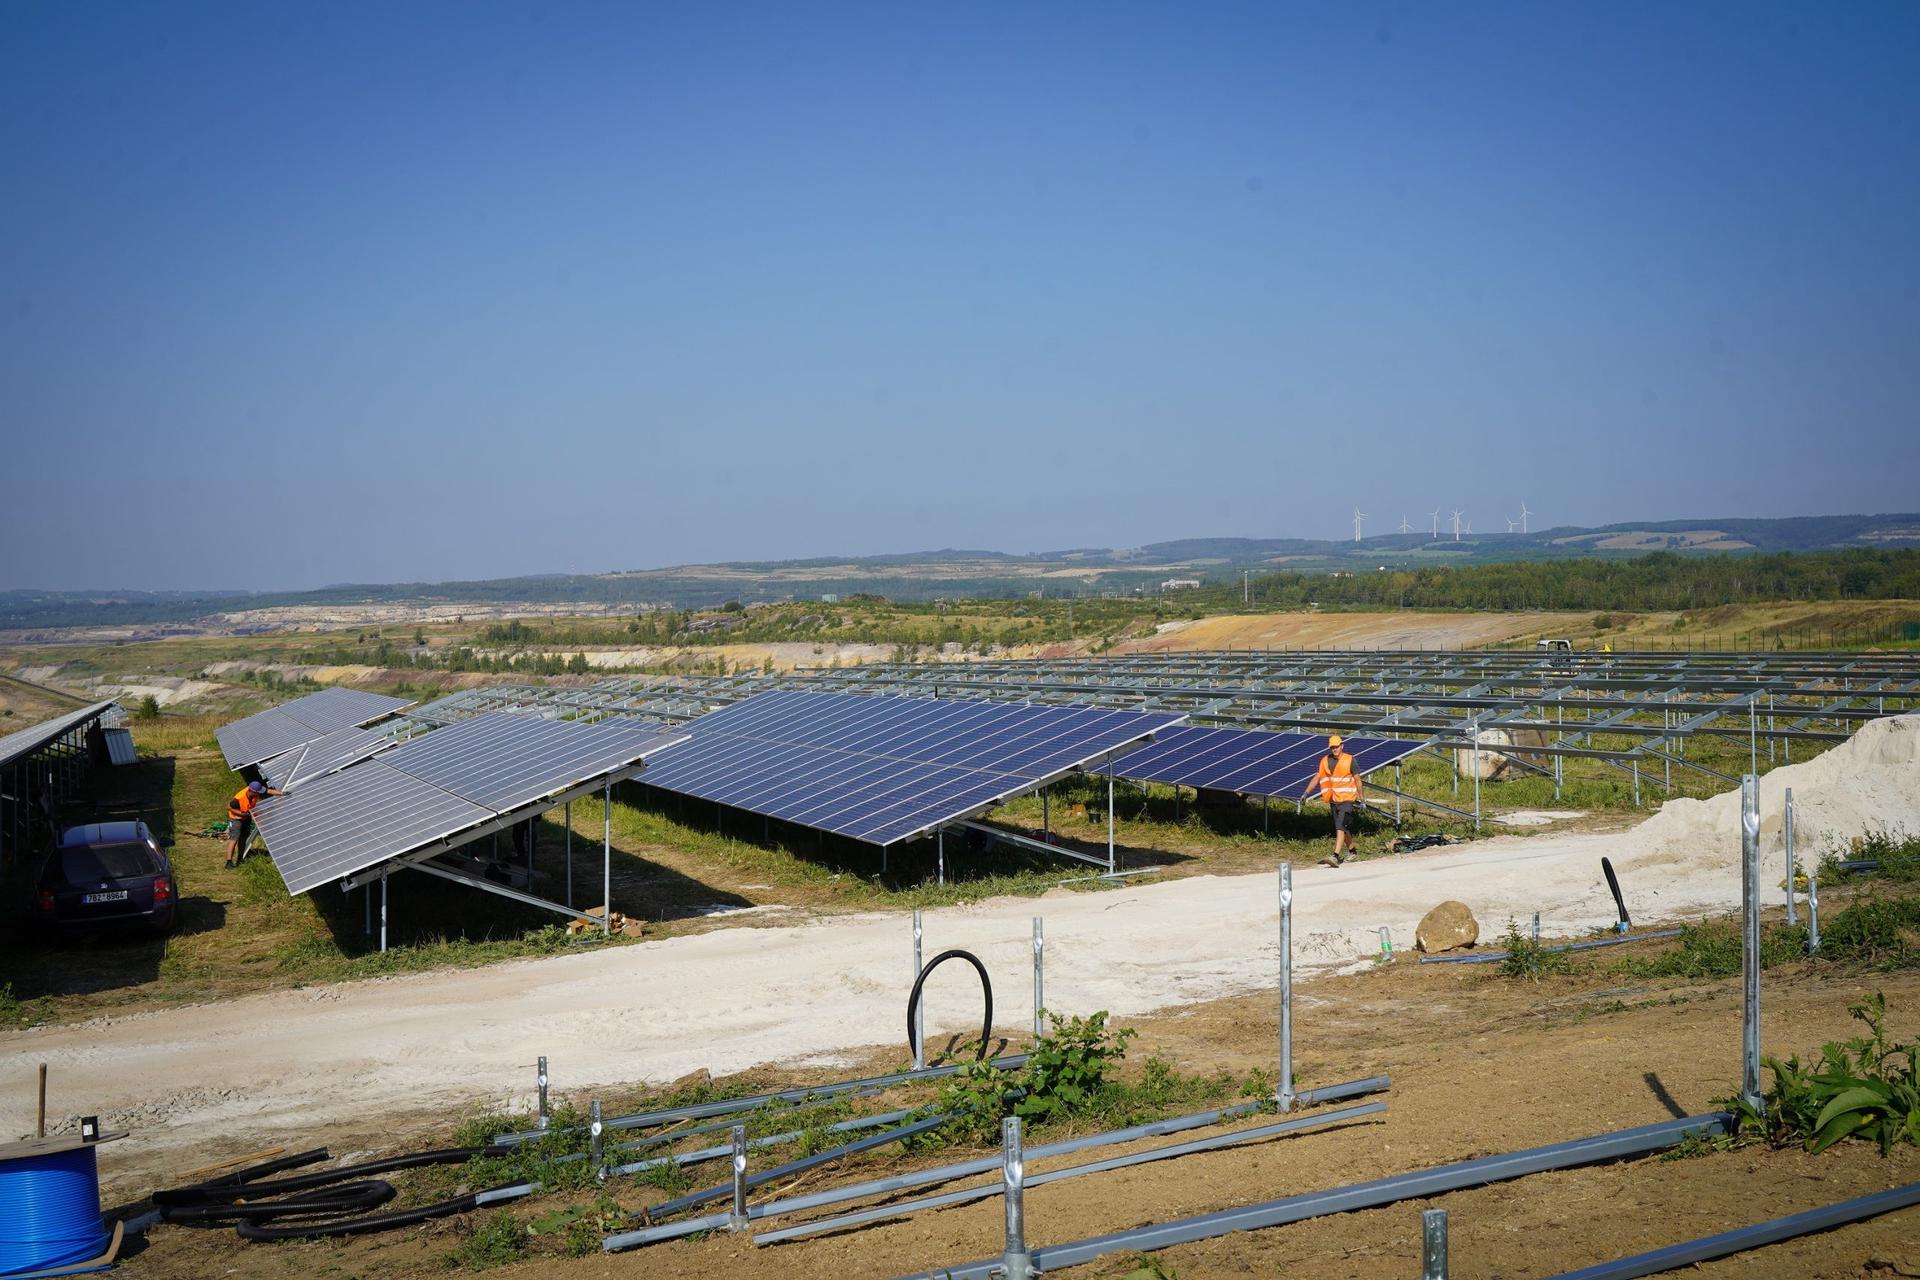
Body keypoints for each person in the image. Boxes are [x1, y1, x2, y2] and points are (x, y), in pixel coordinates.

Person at [1306, 734, 1362, 868]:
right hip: (1334, 799)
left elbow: (1358, 780)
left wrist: (1362, 799)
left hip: (1347, 799)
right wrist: (1306, 792)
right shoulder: (1325, 761)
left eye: (1337, 746)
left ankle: (1335, 856)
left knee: (1340, 826)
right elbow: (1317, 777)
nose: (1335, 749)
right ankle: (1353, 852)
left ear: (1342, 745)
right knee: (1344, 827)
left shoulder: (1350, 760)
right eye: (1332, 747)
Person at [225, 780, 284, 868]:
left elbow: (268, 791)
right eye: (258, 792)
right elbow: (228, 806)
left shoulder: (254, 791)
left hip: (246, 818)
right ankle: (229, 862)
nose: (259, 794)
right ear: (252, 791)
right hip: (236, 820)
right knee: (234, 839)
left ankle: (240, 859)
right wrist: (241, 814)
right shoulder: (239, 798)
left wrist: (282, 793)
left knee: (243, 838)